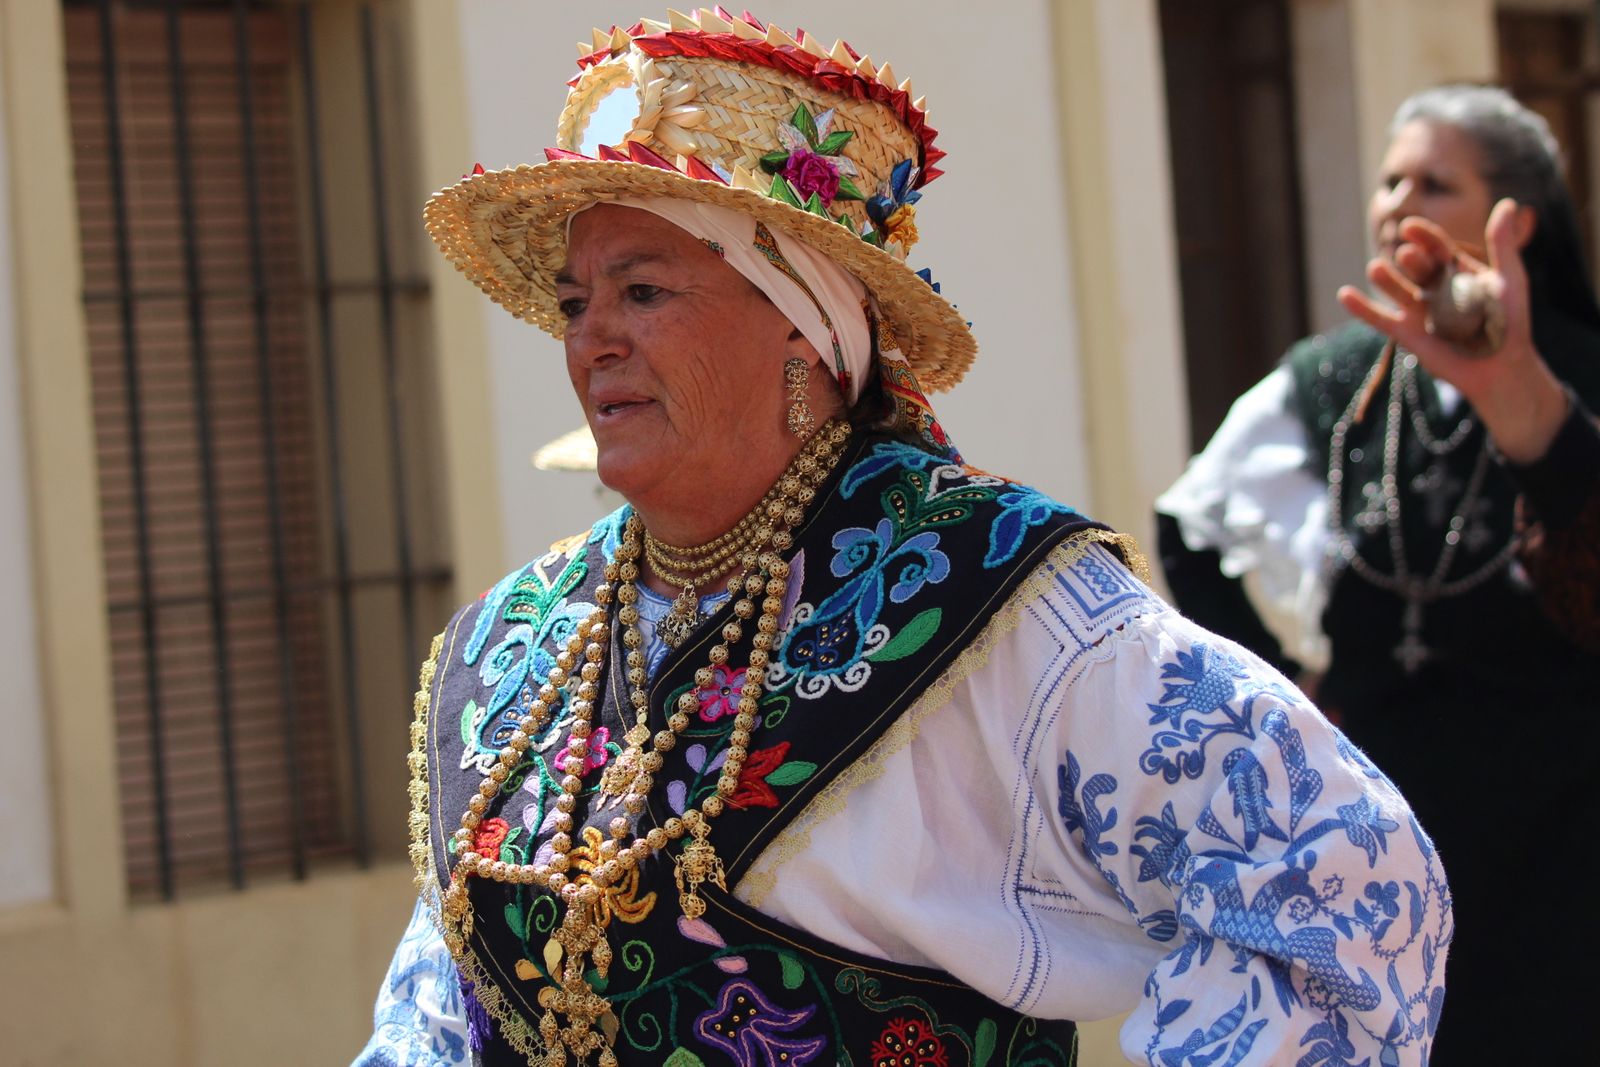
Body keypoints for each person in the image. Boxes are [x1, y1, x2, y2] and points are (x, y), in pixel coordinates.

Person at [355, 11, 1448, 1066]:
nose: (589, 337)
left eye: (641, 290)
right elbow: (437, 1006)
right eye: (572, 300)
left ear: (805, 329)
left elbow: (1339, 872)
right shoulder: (526, 639)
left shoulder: (996, 602)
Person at [1157, 84, 1600, 1062]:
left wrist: (1522, 402)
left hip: (1556, 837)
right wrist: (1280, 683)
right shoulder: (1333, 378)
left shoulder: (1582, 372)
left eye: (1432, 182)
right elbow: (1185, 526)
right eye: (1388, 178)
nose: (1396, 201)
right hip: (1371, 828)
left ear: (1511, 218)